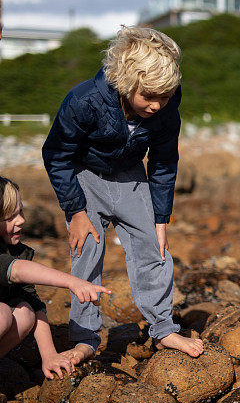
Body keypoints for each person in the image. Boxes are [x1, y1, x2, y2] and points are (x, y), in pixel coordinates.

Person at [41, 26, 204, 365]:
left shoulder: (166, 102)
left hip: (132, 178)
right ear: (127, 83)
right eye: (149, 97)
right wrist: (76, 212)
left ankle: (163, 329)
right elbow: (57, 155)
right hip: (86, 177)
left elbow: (163, 160)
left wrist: (161, 219)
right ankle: (85, 338)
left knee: (155, 251)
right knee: (87, 251)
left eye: (165, 97)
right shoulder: (84, 100)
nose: (157, 105)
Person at [1, 177, 110, 378]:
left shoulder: (18, 251)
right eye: (10, 218)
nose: (21, 220)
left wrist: (49, 355)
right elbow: (16, 270)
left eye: (21, 212)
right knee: (3, 314)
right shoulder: (12, 261)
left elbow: (35, 304)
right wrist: (72, 281)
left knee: (26, 313)